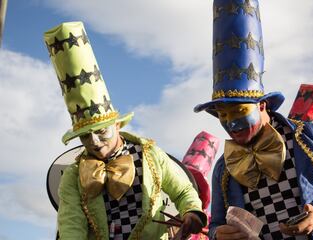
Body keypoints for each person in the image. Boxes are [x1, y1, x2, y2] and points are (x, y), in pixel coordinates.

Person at [193, 0, 313, 239]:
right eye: (222, 115)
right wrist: (219, 234)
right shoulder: (224, 168)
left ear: (262, 105)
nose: (230, 123)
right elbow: (216, 223)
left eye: (239, 112)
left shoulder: (310, 136)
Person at [44, 21, 207, 240]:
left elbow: (183, 190)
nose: (94, 142)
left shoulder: (150, 154)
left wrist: (191, 212)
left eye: (101, 132)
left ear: (117, 125)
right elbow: (71, 222)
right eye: (85, 136)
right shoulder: (73, 176)